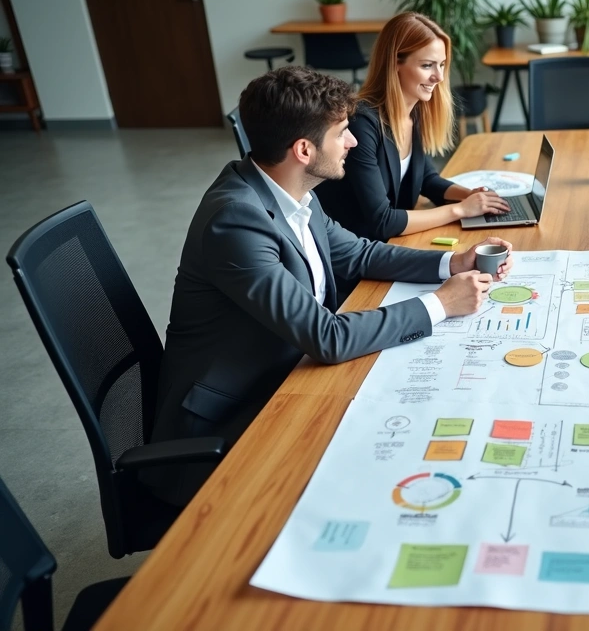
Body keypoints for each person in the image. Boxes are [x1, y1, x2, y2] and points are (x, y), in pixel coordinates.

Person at [144, 67, 513, 506]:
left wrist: (453, 261)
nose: (353, 142)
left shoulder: (291, 190)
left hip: (287, 374)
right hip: (235, 415)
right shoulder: (236, 220)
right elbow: (327, 337)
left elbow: (359, 253)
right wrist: (440, 304)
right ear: (303, 149)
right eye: (342, 133)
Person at [313, 12, 508, 242]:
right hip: (354, 256)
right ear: (395, 63)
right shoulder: (361, 124)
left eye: (442, 65)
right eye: (427, 65)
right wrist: (460, 209)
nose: (439, 76)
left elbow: (426, 179)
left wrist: (470, 197)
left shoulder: (413, 111)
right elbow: (382, 221)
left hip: (387, 244)